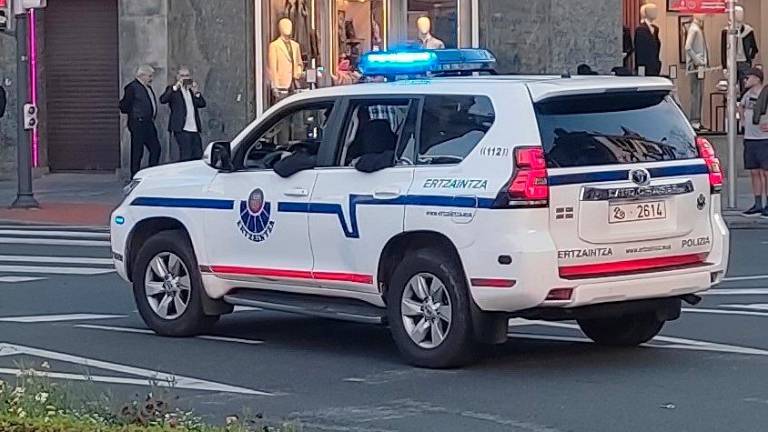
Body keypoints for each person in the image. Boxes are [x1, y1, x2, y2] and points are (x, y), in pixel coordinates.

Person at [119, 65, 161, 179]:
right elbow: (124, 105)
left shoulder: (147, 87)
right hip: (138, 122)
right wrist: (134, 115)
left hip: (148, 122)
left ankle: (152, 173)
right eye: (149, 76)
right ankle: (135, 175)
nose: (151, 78)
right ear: (141, 75)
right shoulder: (132, 88)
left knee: (156, 148)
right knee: (137, 150)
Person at [160, 66, 207, 162]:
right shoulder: (173, 90)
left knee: (197, 154)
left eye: (187, 75)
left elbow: (202, 104)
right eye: (182, 76)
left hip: (194, 128)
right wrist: (175, 87)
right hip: (181, 127)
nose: (185, 78)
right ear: (178, 77)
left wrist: (196, 92)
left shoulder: (190, 90)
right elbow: (163, 99)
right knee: (186, 154)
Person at [738, 68, 768, 217]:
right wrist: (742, 120)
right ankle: (757, 203)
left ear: (757, 78)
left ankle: (767, 203)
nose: (745, 80)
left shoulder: (766, 93)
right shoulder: (747, 95)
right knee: (754, 171)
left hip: (764, 138)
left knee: (765, 172)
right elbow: (740, 106)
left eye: (748, 77)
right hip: (750, 138)